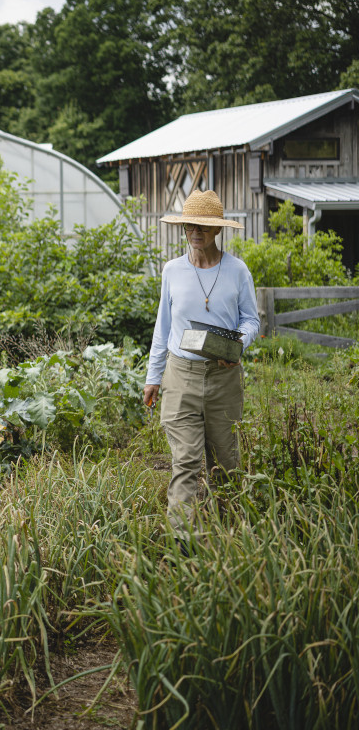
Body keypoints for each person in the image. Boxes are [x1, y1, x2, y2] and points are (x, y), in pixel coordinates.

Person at [142, 189, 260, 543]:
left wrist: (238, 342)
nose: (195, 231)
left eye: (204, 226)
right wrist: (154, 377)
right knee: (187, 461)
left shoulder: (238, 271)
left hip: (224, 377)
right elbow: (163, 328)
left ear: (217, 230)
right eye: (190, 225)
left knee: (226, 463)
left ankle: (229, 537)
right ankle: (184, 544)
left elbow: (252, 320)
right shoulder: (172, 271)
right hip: (181, 375)